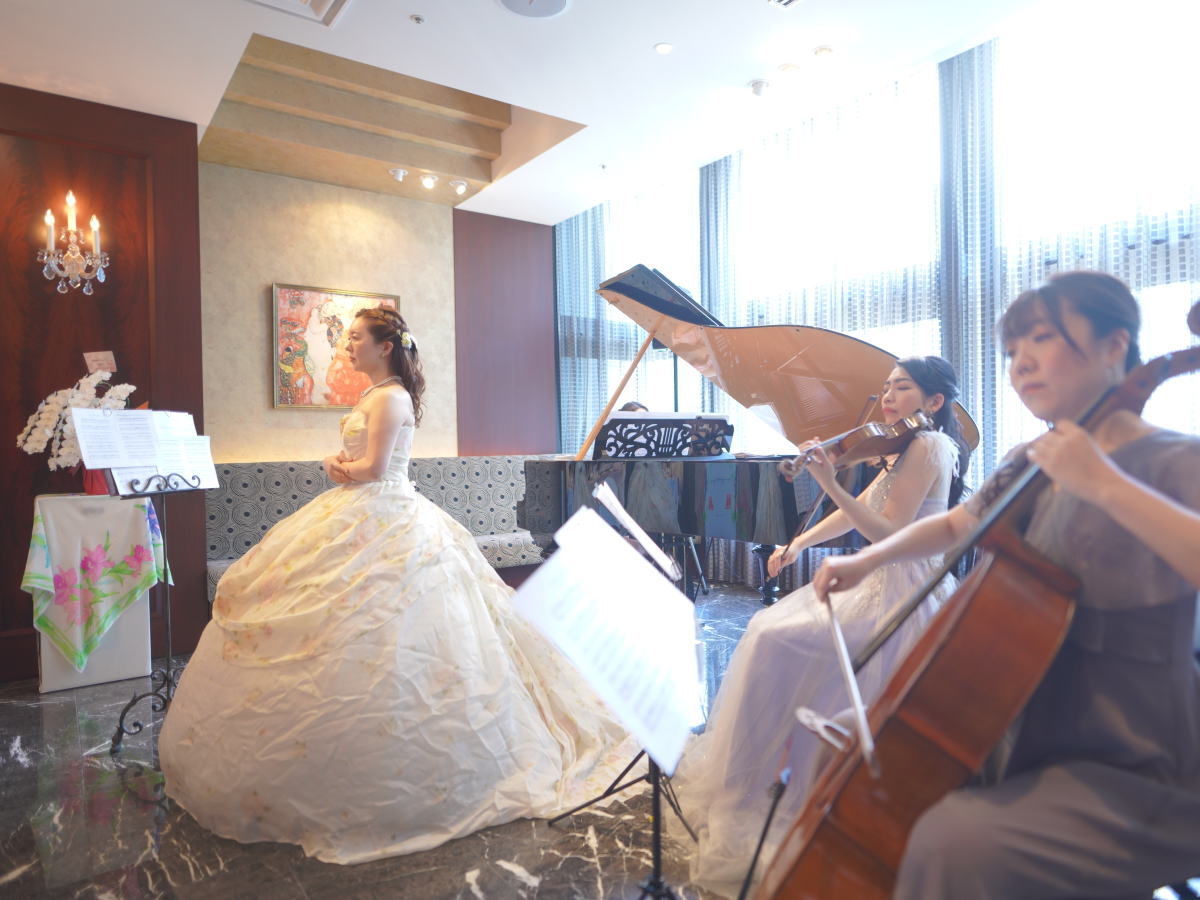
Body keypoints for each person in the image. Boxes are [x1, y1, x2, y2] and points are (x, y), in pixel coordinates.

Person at [160, 306, 633, 864]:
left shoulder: (390, 398)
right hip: (361, 511)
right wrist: (343, 465)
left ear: (385, 346)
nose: (347, 346)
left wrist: (336, 466)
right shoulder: (375, 394)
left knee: (392, 628)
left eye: (355, 338)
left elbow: (375, 469)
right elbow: (365, 464)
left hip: (383, 512)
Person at [813, 271, 1200, 898]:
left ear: (1114, 346)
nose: (1020, 364)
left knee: (955, 843)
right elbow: (958, 523)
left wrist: (1104, 483)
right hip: (1018, 708)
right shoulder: (1031, 459)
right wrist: (867, 560)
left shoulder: (1177, 459)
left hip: (1133, 746)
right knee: (854, 757)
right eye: (1013, 350)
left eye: (1041, 339)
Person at [669, 356, 971, 895]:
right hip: (878, 580)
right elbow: (860, 510)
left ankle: (783, 786)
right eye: (885, 387)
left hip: (904, 589)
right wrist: (799, 542)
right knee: (768, 633)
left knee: (774, 637)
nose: (887, 397)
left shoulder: (930, 445)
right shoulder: (901, 448)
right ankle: (759, 781)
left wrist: (830, 481)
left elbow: (888, 533)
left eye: (901, 388)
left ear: (934, 402)